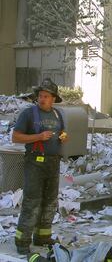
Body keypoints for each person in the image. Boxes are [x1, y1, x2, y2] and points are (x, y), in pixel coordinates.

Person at [13, 78, 68, 255]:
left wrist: (63, 137)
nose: (42, 99)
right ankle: (22, 241)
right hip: (35, 162)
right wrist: (38, 137)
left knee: (50, 202)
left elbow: (62, 132)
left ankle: (43, 236)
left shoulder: (58, 115)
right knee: (32, 201)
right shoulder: (28, 114)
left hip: (53, 163)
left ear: (53, 99)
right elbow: (16, 137)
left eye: (46, 96)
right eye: (40, 96)